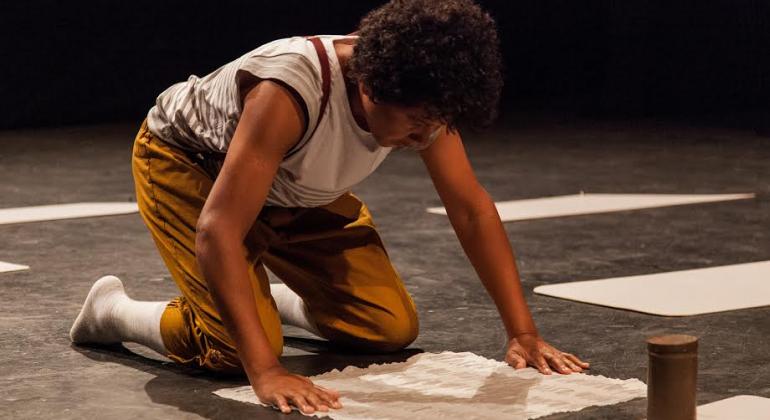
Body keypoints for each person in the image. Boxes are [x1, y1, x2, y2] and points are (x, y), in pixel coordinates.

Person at [70, 0, 589, 415]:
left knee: (387, 327)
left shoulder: (421, 91)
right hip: (193, 165)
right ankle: (112, 312)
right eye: (415, 121)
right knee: (233, 350)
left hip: (294, 186)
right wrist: (267, 371)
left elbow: (471, 209)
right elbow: (218, 230)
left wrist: (523, 333)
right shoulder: (290, 89)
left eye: (436, 122)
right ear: (369, 86)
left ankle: (270, 301)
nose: (425, 135)